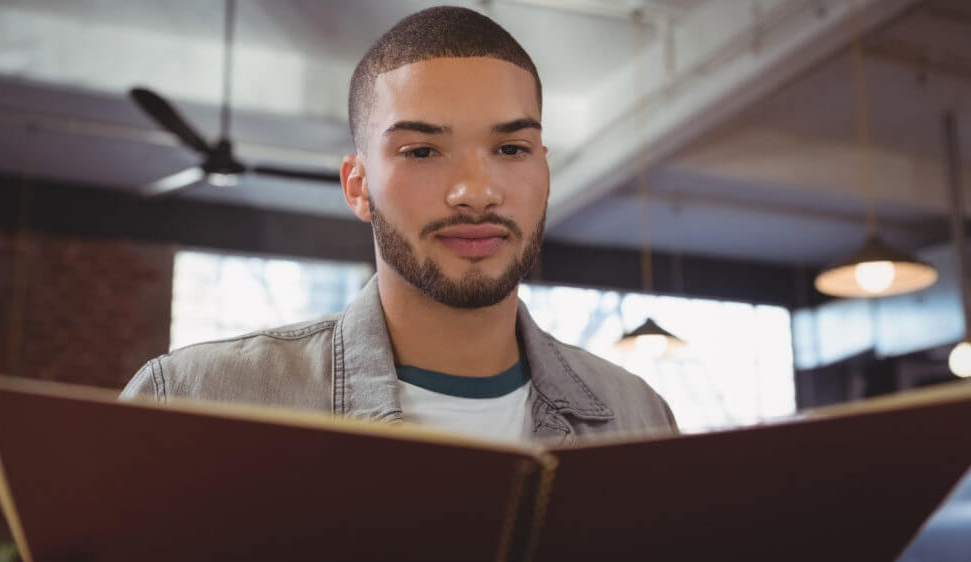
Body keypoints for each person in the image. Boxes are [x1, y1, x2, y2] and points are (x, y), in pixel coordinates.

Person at [121, 5, 676, 444]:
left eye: (511, 147)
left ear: (545, 169)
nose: (476, 192)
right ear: (358, 186)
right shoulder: (197, 403)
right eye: (421, 152)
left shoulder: (638, 418)